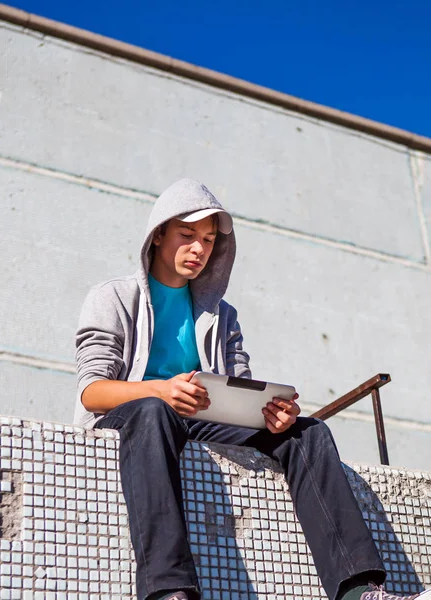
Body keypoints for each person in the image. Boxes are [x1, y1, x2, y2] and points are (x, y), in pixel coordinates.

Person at [75, 179, 430, 600]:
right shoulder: (113, 297)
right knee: (154, 410)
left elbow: (238, 388)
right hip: (133, 417)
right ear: (158, 238)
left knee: (307, 430)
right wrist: (159, 390)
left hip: (202, 422)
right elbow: (92, 391)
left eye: (208, 240)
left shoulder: (223, 316)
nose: (199, 249)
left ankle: (357, 591)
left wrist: (269, 414)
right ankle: (168, 591)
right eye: (187, 235)